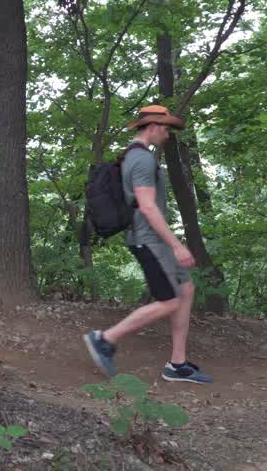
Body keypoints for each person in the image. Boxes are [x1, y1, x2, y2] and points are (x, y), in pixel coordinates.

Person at [83, 104, 212, 384]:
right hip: (148, 239)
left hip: (153, 239)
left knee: (186, 288)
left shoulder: (134, 156)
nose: (167, 135)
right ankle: (104, 339)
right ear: (152, 127)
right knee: (169, 301)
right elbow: (148, 207)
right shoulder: (142, 159)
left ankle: (177, 365)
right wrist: (177, 245)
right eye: (165, 129)